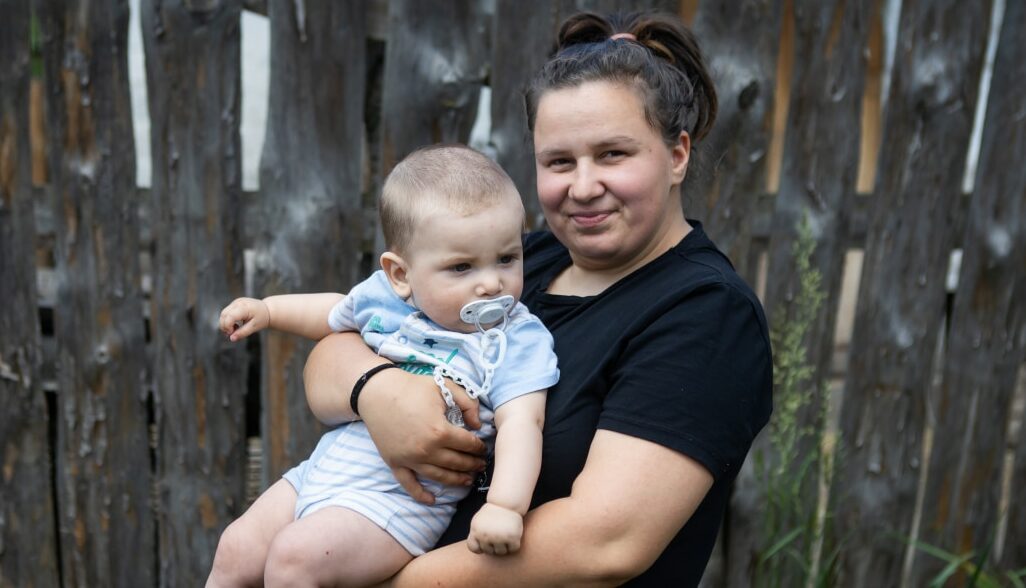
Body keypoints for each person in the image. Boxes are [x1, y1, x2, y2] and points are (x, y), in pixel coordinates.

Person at [300, 10, 774, 587]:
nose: (582, 186)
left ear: (676, 155)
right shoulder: (521, 263)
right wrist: (376, 391)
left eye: (613, 154)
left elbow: (602, 544)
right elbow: (334, 351)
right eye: (558, 161)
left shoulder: (705, 314)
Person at [206, 145, 560, 587]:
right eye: (461, 267)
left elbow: (524, 423)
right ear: (401, 274)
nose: (491, 283)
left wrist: (505, 507)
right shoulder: (389, 302)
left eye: (507, 259)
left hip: (400, 504)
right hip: (322, 472)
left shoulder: (517, 339)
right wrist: (270, 310)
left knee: (294, 561)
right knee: (235, 548)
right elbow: (335, 312)